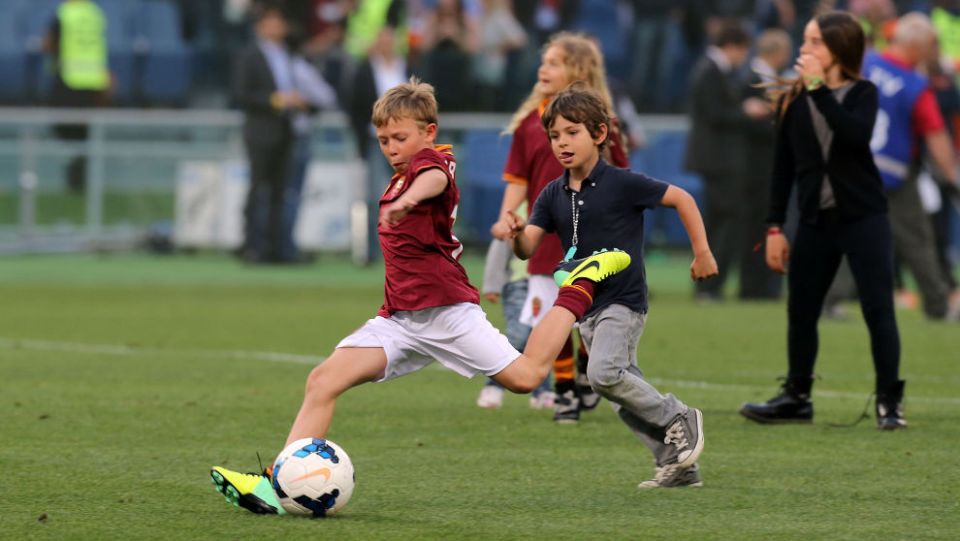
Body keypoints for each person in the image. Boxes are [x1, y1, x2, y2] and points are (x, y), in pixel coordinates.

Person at [209, 78, 639, 514]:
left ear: (428, 132)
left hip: (448, 313)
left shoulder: (433, 163)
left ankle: (580, 285)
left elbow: (433, 179)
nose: (392, 147)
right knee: (322, 381)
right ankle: (276, 488)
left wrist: (410, 198)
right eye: (383, 140)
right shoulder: (397, 180)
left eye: (400, 137)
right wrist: (403, 196)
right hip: (399, 321)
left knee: (526, 378)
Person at [507, 82, 715, 488]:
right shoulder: (552, 194)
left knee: (603, 375)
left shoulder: (624, 183)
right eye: (555, 136)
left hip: (623, 301)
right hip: (585, 308)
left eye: (572, 133)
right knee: (621, 389)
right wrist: (517, 234)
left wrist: (702, 252)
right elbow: (528, 245)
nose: (562, 143)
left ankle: (679, 417)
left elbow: (684, 200)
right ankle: (679, 466)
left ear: (600, 135)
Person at [738, 11, 907, 430]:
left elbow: (853, 135)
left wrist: (816, 87)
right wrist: (774, 227)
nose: (804, 48)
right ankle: (798, 397)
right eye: (805, 40)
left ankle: (889, 400)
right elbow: (783, 169)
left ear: (838, 49)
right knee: (801, 310)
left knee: (877, 310)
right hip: (815, 221)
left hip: (863, 218)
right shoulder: (795, 99)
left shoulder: (862, 92)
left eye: (814, 41)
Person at [490, 32, 629, 424]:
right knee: (552, 315)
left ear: (578, 70)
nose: (543, 69)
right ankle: (565, 390)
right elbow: (518, 177)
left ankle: (587, 370)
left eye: (553, 62)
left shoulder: (604, 126)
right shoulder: (528, 125)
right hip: (545, 233)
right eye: (544, 61)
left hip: (592, 236)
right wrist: (506, 216)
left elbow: (619, 177)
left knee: (589, 314)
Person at [861, 12, 960, 321]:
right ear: (918, 45)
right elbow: (935, 134)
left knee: (848, 233)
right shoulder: (915, 83)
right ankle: (938, 304)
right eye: (932, 45)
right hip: (894, 173)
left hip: (854, 165)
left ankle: (826, 300)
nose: (935, 52)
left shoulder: (864, 63)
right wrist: (952, 175)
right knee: (917, 240)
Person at [684, 20, 770, 302]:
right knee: (727, 220)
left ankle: (708, 284)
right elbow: (715, 115)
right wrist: (746, 111)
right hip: (717, 160)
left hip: (716, 160)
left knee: (720, 221)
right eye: (742, 51)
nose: (743, 58)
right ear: (732, 47)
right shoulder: (709, 71)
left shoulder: (712, 70)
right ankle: (708, 286)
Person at [233, 4, 305, 264]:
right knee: (258, 189)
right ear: (260, 27)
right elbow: (241, 93)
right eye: (271, 22)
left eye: (279, 22)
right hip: (261, 130)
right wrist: (275, 100)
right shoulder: (249, 56)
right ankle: (252, 246)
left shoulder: (288, 54)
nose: (277, 27)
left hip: (286, 129)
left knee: (279, 192)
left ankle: (276, 249)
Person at [739, 29, 793, 300]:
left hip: (767, 168)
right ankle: (753, 287)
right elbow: (749, 123)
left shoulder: (765, 80)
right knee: (756, 225)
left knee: (766, 224)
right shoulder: (750, 80)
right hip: (757, 168)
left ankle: (764, 286)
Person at [475, 231, 554, 410]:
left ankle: (542, 391)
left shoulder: (558, 206)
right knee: (518, 335)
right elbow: (500, 247)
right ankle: (493, 387)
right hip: (519, 282)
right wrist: (492, 285)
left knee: (542, 338)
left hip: (548, 282)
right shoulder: (519, 212)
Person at [44, 0, 111, 194]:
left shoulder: (65, 13)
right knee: (84, 133)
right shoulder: (95, 13)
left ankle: (75, 172)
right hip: (93, 80)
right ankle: (79, 181)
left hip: (70, 79)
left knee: (61, 127)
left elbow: (48, 43)